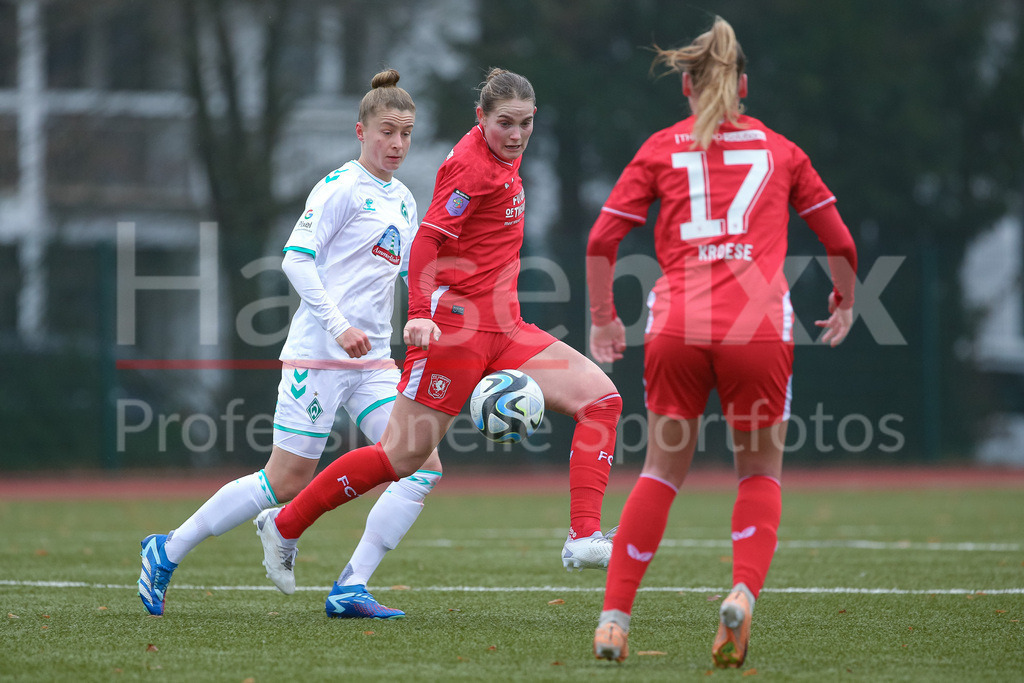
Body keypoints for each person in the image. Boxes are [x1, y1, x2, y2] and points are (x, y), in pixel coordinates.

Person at [253, 68, 623, 595]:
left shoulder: (504, 160)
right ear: (481, 118)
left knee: (602, 400)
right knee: (400, 459)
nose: (515, 135)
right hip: (457, 331)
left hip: (508, 328)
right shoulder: (471, 167)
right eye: (504, 124)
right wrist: (421, 311)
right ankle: (283, 525)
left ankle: (583, 536)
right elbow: (426, 244)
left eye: (524, 123)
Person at [587, 17, 857, 668]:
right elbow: (841, 242)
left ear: (685, 86)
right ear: (744, 86)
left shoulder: (659, 149)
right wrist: (845, 298)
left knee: (659, 471)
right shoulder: (783, 152)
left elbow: (601, 240)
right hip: (757, 329)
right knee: (759, 472)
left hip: (678, 326)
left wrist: (603, 316)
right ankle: (740, 592)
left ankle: (613, 621)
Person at [138, 68, 442, 619]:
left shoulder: (402, 198)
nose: (397, 143)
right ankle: (168, 548)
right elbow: (295, 261)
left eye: (407, 133)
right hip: (319, 355)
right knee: (284, 478)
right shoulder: (339, 187)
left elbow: (409, 273)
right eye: (388, 131)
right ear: (361, 130)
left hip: (372, 362)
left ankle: (350, 586)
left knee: (421, 463)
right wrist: (338, 325)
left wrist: (435, 313)